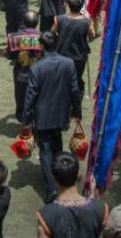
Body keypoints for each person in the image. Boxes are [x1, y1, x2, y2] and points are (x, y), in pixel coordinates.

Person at [22, 31, 83, 202]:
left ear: (41, 47)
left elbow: (30, 97)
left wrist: (26, 121)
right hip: (61, 115)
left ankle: (51, 188)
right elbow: (75, 91)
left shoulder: (37, 68)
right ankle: (60, 180)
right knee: (57, 146)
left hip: (43, 117)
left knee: (46, 151)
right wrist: (77, 111)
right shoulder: (68, 63)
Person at [36, 152, 107, 237]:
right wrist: (92, 197)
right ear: (78, 175)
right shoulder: (101, 208)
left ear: (54, 179)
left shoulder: (46, 215)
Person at [52, 0, 95, 91]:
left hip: (62, 54)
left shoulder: (59, 19)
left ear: (69, 5)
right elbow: (92, 37)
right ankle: (76, 102)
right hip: (79, 56)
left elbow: (52, 33)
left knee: (63, 80)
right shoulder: (87, 22)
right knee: (76, 79)